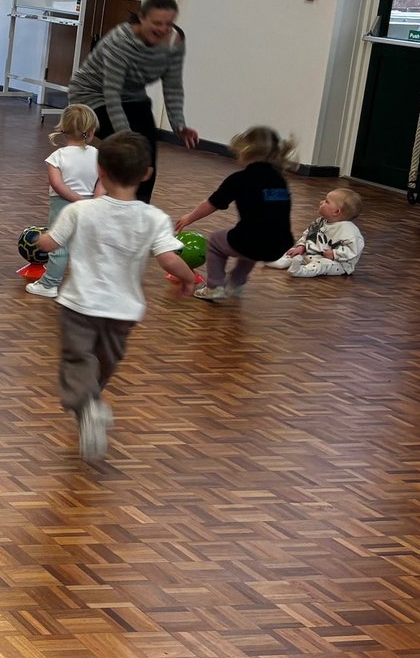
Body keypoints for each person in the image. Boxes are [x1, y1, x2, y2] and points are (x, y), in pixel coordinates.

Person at [35, 132, 198, 462]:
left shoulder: (81, 211)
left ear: (100, 170)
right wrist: (188, 279)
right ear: (147, 174)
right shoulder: (154, 218)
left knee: (78, 360)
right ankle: (91, 404)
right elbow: (169, 259)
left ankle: (88, 407)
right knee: (104, 362)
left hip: (79, 306)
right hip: (123, 311)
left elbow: (50, 244)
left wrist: (38, 239)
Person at [67, 0, 199, 204]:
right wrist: (126, 135)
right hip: (92, 96)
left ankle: (139, 206)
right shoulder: (121, 40)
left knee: (147, 151)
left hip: (133, 96)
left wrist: (179, 125)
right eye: (157, 23)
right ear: (142, 18)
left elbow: (173, 86)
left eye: (168, 24)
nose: (163, 29)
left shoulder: (174, 42)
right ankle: (108, 200)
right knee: (128, 149)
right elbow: (111, 93)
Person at [172, 126, 295, 302]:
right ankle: (236, 283)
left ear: (245, 151)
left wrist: (188, 218)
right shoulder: (280, 179)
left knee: (216, 241)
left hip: (252, 241)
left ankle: (214, 287)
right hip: (281, 243)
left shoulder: (239, 179)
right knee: (252, 244)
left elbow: (211, 204)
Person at [27, 103, 102, 299]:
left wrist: (77, 199)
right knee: (85, 247)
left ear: (63, 129)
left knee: (59, 246)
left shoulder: (57, 157)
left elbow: (57, 184)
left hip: (62, 205)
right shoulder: (98, 155)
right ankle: (87, 287)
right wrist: (94, 201)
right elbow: (104, 180)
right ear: (91, 131)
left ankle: (49, 285)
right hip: (91, 207)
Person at [272, 188, 365, 278]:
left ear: (336, 212)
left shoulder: (349, 230)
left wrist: (335, 254)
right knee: (295, 252)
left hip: (338, 263)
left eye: (326, 201)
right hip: (313, 255)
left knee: (323, 265)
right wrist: (301, 246)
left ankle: (301, 271)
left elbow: (353, 250)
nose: (321, 202)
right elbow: (308, 235)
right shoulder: (320, 221)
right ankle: (282, 261)